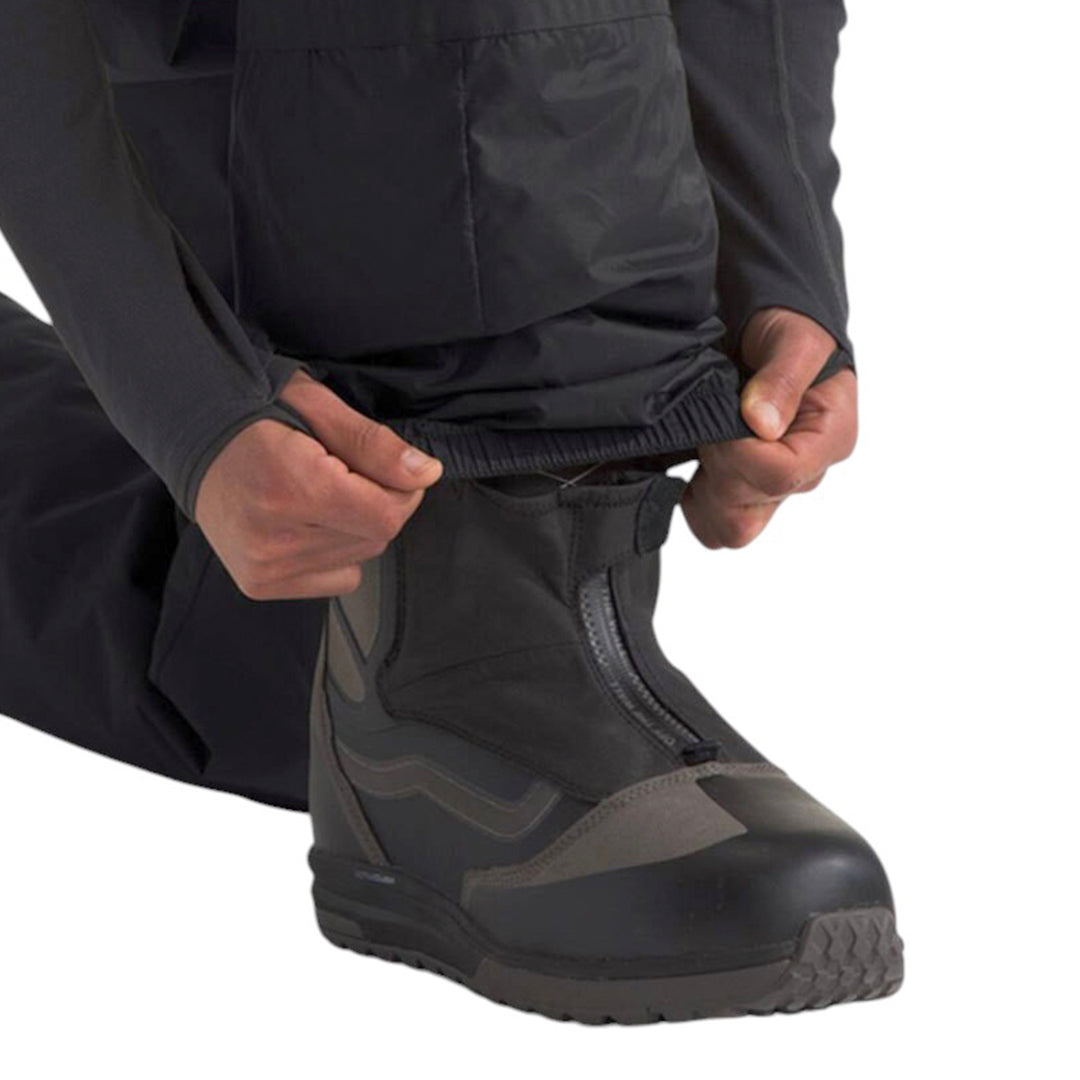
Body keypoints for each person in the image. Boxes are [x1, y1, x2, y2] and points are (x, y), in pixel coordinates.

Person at [0, 0, 901, 1021]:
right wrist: (190, 405)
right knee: (263, 641)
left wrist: (777, 269)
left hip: (394, 489)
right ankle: (418, 689)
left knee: (269, 644)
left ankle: (462, 660)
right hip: (325, 418)